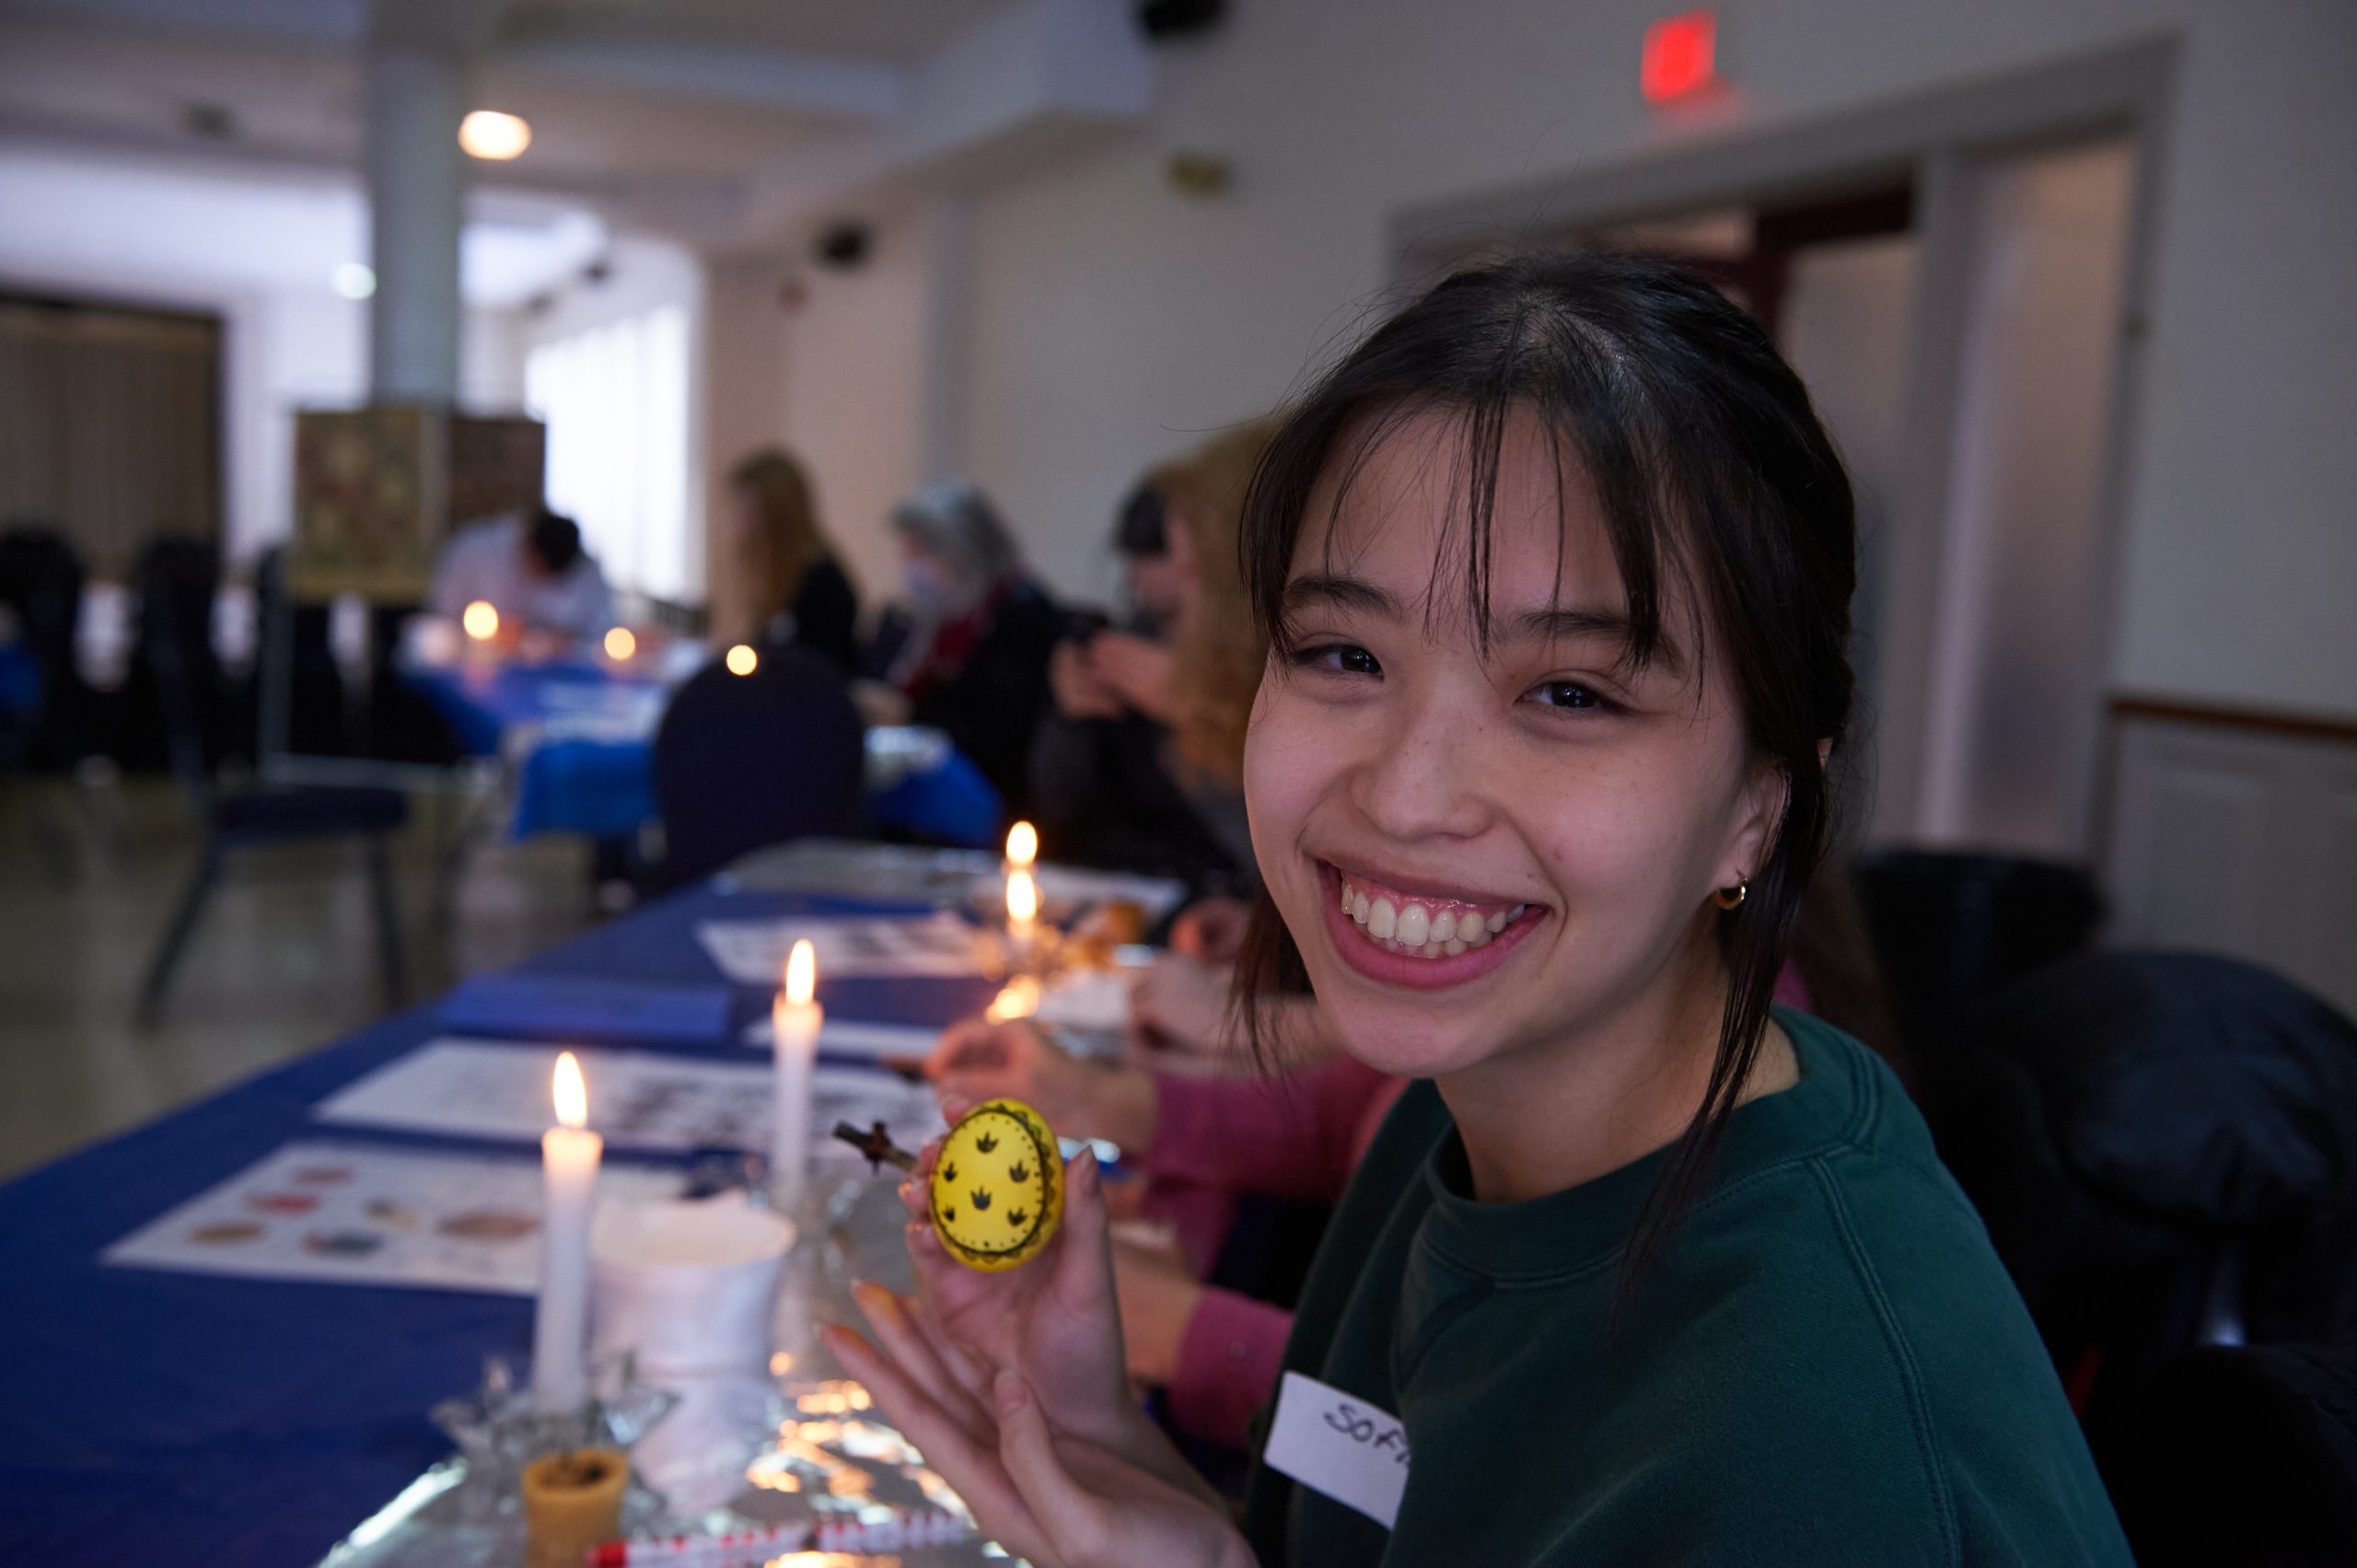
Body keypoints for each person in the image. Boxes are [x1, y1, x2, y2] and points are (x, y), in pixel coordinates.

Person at [824, 253, 2132, 1566]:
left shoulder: (1817, 1442)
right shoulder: (1455, 1118)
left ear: (1761, 802)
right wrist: (1109, 1439)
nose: (1405, 794)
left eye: (1570, 692)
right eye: (1345, 653)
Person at [1032, 422, 1275, 883]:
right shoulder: (1135, 638)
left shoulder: (1283, 667)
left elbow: (1273, 859)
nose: (1136, 580)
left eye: (1192, 565)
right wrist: (1069, 717)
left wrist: (1195, 714)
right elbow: (1062, 804)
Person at [866, 482, 1062, 819]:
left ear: (963, 552)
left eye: (921, 554)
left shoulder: (1023, 616)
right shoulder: (922, 619)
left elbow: (1000, 731)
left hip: (997, 804)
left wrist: (908, 715)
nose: (910, 567)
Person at [720, 447, 861, 675]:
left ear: (776, 514)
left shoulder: (822, 583)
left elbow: (813, 671)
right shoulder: (780, 576)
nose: (739, 523)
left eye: (747, 511)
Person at [429, 505, 611, 640]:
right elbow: (443, 614)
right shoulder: (474, 549)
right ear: (529, 542)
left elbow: (598, 627)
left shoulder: (586, 568)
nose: (540, 580)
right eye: (538, 568)